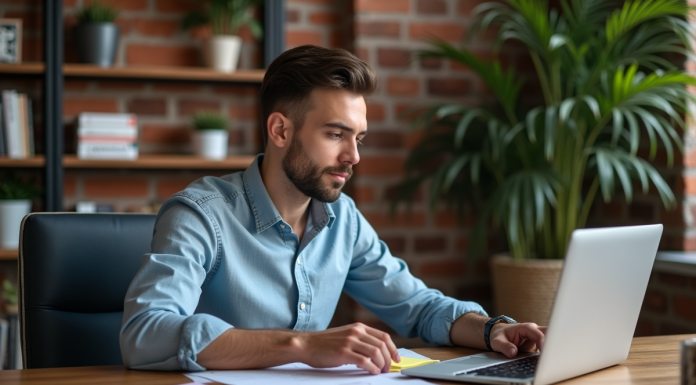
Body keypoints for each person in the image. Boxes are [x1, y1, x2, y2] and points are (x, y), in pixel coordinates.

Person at [120, 45, 546, 374]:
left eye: (359, 138)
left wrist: (493, 330)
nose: (353, 156)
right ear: (280, 130)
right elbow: (144, 334)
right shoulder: (200, 216)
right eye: (336, 134)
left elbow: (419, 307)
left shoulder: (343, 219)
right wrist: (301, 345)